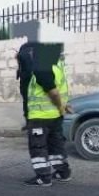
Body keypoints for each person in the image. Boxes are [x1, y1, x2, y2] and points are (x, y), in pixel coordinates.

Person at [24, 46, 73, 187]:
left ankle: (43, 177)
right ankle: (63, 172)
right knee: (56, 146)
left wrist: (60, 106)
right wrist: (63, 106)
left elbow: (54, 92)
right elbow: (61, 88)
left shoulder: (42, 68)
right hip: (55, 117)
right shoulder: (58, 64)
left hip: (40, 117)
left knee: (38, 147)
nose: (31, 54)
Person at [16, 42, 36, 131]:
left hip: (25, 80)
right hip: (34, 80)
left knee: (26, 102)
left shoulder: (22, 49)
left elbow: (20, 66)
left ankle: (29, 123)